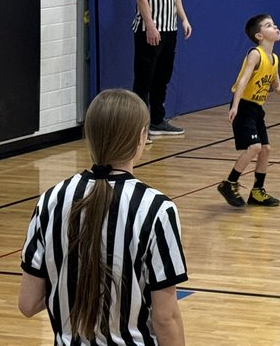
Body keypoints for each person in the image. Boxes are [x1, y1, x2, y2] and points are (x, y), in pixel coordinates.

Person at [18, 88, 187, 345]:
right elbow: (166, 317)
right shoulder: (156, 209)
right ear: (142, 138)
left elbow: (28, 304)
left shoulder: (51, 200)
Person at [216, 14, 280, 208]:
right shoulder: (256, 54)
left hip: (256, 108)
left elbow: (276, 86)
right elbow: (242, 81)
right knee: (254, 147)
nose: (275, 27)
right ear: (260, 36)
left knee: (266, 149)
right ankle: (230, 183)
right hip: (243, 106)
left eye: (274, 24)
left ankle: (257, 192)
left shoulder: (274, 58)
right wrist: (235, 106)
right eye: (269, 25)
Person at [129, 0, 192, 138]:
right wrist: (150, 26)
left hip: (169, 28)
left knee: (162, 77)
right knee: (144, 79)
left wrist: (183, 18)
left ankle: (156, 121)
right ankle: (137, 129)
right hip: (149, 29)